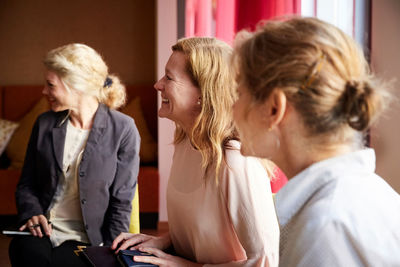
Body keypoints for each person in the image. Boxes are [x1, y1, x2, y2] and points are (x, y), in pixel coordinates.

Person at [232, 17, 400, 266]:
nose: (232, 107)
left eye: (239, 93)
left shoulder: (326, 227)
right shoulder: (364, 193)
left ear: (274, 108)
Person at [112, 37, 279, 266]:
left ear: (202, 95)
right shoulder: (184, 143)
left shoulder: (237, 163)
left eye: (169, 78)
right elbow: (207, 227)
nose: (158, 85)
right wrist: (164, 241)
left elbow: (266, 261)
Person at [9, 43, 140, 267]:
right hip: (43, 232)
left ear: (76, 86)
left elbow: (121, 201)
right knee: (26, 253)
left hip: (90, 239)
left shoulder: (123, 129)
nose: (44, 92)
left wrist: (111, 253)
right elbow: (27, 184)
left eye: (50, 85)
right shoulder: (44, 124)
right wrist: (32, 212)